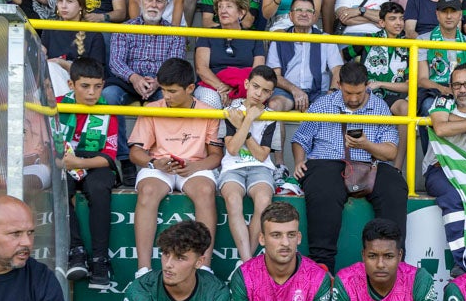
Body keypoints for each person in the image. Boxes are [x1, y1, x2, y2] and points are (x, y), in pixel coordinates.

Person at [291, 60, 407, 270]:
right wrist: (299, 160)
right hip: (327, 161)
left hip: (369, 164)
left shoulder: (380, 106)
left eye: (359, 94)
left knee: (394, 186)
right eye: (348, 93)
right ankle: (322, 267)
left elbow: (391, 151)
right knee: (322, 186)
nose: (353, 99)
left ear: (366, 86)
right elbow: (300, 138)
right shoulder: (323, 104)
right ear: (339, 84)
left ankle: (393, 262)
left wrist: (366, 144)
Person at [129, 59, 222, 279]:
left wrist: (195, 166)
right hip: (159, 165)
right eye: (162, 90)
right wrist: (153, 163)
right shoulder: (152, 109)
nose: (166, 96)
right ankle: (143, 270)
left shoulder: (208, 112)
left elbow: (216, 156)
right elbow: (135, 152)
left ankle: (204, 267)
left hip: (195, 165)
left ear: (190, 88)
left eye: (172, 91)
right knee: (148, 191)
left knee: (205, 191)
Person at [58, 57, 120, 289]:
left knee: (99, 187)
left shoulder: (108, 110)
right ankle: (76, 251)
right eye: (85, 86)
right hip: (64, 163)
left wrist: (78, 161)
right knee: (60, 185)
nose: (92, 93)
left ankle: (100, 259)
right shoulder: (56, 105)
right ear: (71, 85)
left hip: (95, 163)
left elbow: (109, 157)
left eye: (98, 86)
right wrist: (65, 162)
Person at [424, 64, 466, 275]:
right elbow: (441, 129)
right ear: (451, 87)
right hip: (438, 169)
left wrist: (449, 119)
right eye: (457, 85)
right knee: (454, 198)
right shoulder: (441, 100)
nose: (462, 89)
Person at [217, 66, 280, 264]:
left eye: (265, 91)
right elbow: (233, 149)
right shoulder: (230, 112)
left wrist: (245, 126)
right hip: (232, 167)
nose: (259, 94)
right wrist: (246, 121)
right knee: (233, 200)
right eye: (255, 87)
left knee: (263, 201)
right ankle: (248, 263)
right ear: (246, 84)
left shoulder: (271, 116)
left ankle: (246, 263)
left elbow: (262, 156)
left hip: (260, 168)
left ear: (271, 93)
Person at [268, 0, 343, 111]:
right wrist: (294, 90)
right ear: (290, 16)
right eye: (299, 10)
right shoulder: (279, 40)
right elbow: (274, 75)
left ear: (314, 17)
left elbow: (337, 69)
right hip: (287, 91)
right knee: (274, 105)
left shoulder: (326, 39)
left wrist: (332, 92)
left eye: (309, 11)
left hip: (319, 93)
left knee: (330, 108)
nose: (304, 14)